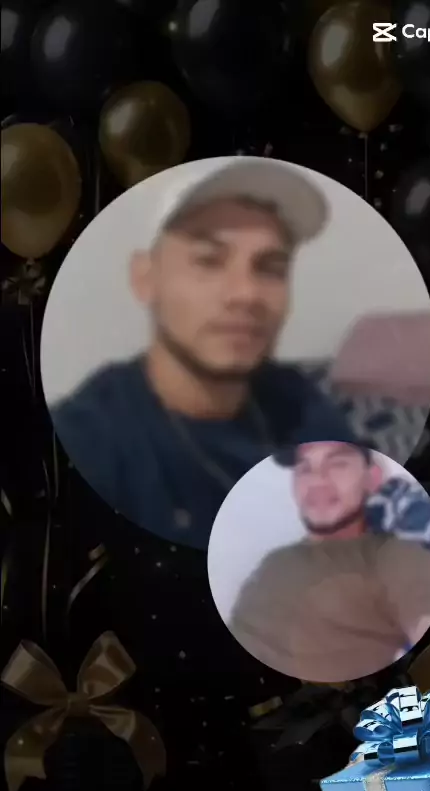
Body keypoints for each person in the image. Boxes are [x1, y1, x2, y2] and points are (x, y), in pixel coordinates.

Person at [51, 159, 358, 548]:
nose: (246, 294)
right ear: (145, 278)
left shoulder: (297, 402)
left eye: (270, 267)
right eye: (209, 261)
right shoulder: (89, 443)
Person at [229, 441, 430, 681]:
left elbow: (426, 620)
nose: (317, 481)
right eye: (305, 468)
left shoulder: (395, 556)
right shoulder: (274, 564)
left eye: (337, 464)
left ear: (372, 477)